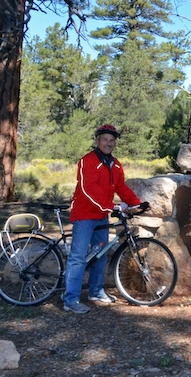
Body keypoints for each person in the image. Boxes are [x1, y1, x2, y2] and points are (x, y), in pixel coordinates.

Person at [63, 124, 142, 314]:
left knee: (100, 254)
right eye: (105, 139)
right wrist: (112, 206)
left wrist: (137, 203)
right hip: (84, 215)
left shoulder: (115, 164)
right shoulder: (87, 161)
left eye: (112, 140)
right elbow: (89, 190)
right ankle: (70, 300)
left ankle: (96, 292)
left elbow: (121, 187)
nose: (108, 143)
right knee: (78, 258)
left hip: (101, 216)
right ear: (97, 141)